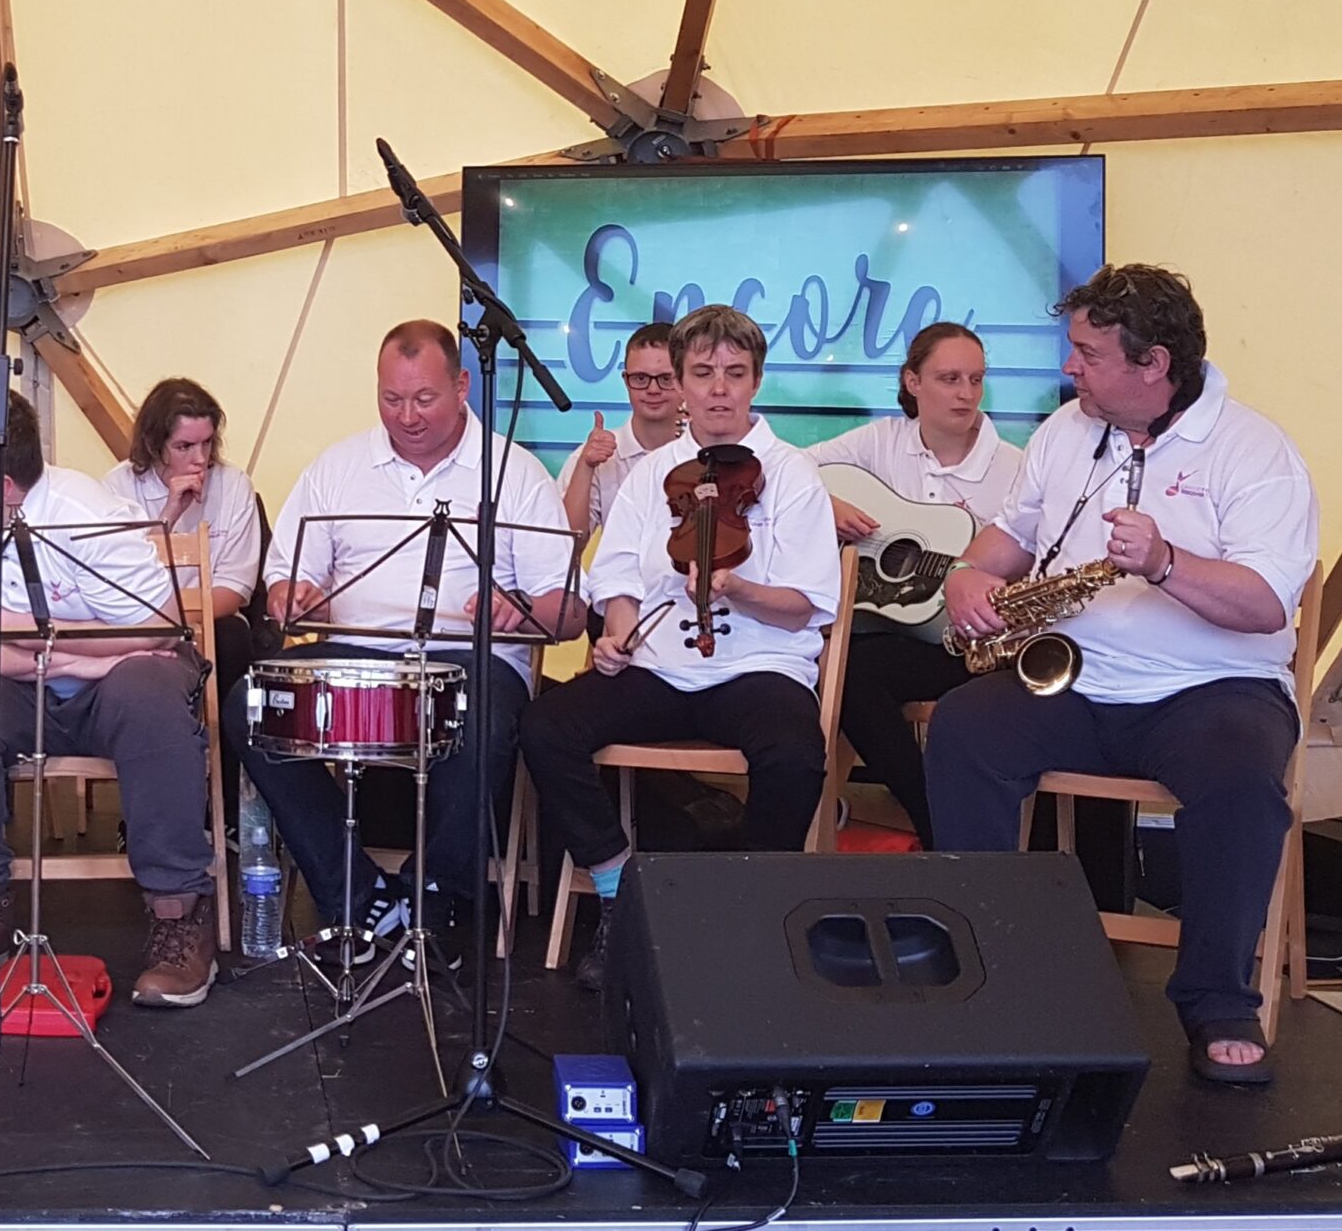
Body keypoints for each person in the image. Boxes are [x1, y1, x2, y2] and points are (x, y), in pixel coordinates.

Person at [928, 266, 1316, 1086]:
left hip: (1212, 689)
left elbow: (1265, 606)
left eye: (1088, 353)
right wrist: (968, 572)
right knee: (963, 727)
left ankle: (1218, 1001)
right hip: (1077, 676)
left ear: (1154, 364)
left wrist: (1169, 562)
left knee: (1244, 783)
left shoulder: (1256, 449)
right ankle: (986, 964)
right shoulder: (1067, 430)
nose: (1071, 369)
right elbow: (1010, 535)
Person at [519, 304, 839, 992]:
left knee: (794, 753)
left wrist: (738, 588)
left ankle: (744, 910)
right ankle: (617, 894)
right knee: (547, 726)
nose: (718, 388)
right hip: (662, 665)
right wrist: (618, 635)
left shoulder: (793, 473)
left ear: (755, 382)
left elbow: (807, 604)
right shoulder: (653, 472)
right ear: (684, 384)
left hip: (759, 667)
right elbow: (620, 573)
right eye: (703, 373)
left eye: (734, 373)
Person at [235, 321, 581, 952]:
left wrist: (519, 608)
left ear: (462, 386)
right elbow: (288, 574)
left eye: (424, 399)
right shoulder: (338, 467)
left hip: (470, 657)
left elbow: (568, 613)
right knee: (251, 703)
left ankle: (435, 898)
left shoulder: (513, 472)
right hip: (359, 651)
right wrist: (292, 595)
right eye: (392, 400)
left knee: (478, 717)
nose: (408, 416)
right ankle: (354, 894)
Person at [0, 395, 216, 1008]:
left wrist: (11, 631)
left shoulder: (88, 510)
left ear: (4, 488)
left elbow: (155, 627)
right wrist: (73, 653)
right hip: (22, 687)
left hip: (118, 686)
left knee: (147, 692)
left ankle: (178, 914)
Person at [807, 322, 1024, 845]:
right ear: (912, 382)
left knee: (856, 672)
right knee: (841, 670)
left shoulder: (1016, 468)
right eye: (949, 378)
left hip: (973, 644)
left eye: (976, 379)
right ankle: (933, 815)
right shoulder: (882, 441)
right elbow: (782, 470)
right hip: (889, 635)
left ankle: (944, 825)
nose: (966, 393)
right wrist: (826, 503)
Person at [104, 378, 265, 801]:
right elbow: (113, 584)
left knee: (232, 639)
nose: (200, 459)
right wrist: (168, 518)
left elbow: (237, 589)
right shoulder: (117, 488)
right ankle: (144, 810)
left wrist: (179, 623)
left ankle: (226, 808)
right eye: (184, 447)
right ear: (155, 445)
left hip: (207, 623)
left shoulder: (233, 486)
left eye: (207, 444)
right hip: (135, 625)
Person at [558, 322, 683, 533]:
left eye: (665, 379)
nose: (653, 389)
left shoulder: (704, 450)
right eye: (641, 378)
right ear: (626, 380)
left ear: (685, 379)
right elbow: (566, 549)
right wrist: (586, 467)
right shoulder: (595, 456)